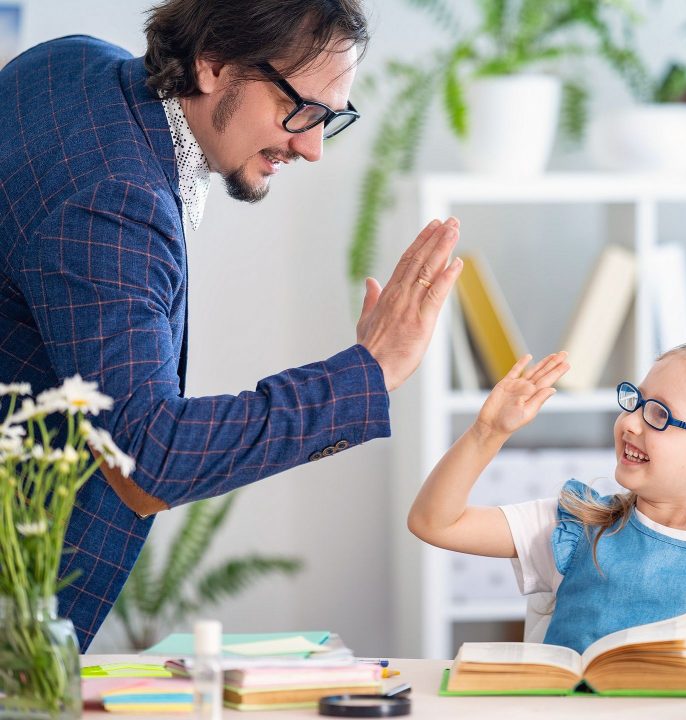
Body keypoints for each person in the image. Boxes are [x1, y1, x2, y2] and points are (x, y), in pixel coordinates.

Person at [0, 0, 463, 649]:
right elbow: (150, 458)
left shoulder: (70, 63)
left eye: (331, 118)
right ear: (213, 63)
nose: (312, 147)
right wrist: (368, 374)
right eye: (300, 110)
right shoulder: (117, 200)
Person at [408, 341, 686, 665]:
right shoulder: (578, 524)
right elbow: (435, 523)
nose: (629, 422)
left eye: (659, 415)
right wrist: (487, 431)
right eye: (635, 401)